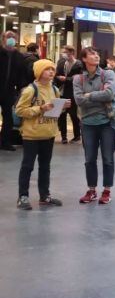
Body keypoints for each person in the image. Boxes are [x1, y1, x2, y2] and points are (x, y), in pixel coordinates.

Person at [15, 59, 69, 209]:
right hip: (31, 135)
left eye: (52, 69)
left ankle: (44, 196)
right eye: (47, 69)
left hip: (49, 134)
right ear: (39, 72)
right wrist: (40, 108)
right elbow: (20, 110)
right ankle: (23, 196)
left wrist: (62, 107)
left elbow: (54, 112)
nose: (51, 72)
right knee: (27, 166)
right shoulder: (30, 90)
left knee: (45, 166)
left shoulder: (55, 90)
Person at [74, 47, 115, 205]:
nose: (96, 56)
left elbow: (109, 94)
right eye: (92, 54)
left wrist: (89, 96)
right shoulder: (78, 79)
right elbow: (78, 100)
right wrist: (97, 98)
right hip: (87, 123)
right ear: (84, 59)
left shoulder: (108, 74)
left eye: (98, 54)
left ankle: (106, 191)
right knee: (89, 159)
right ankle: (91, 190)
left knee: (108, 158)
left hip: (107, 122)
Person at [0, 31, 27, 150]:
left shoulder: (19, 56)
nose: (11, 39)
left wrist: (22, 88)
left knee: (8, 118)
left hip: (9, 91)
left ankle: (4, 142)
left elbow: (22, 74)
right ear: (3, 39)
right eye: (8, 37)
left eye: (13, 37)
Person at [54, 45, 81, 144]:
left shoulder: (79, 64)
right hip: (61, 91)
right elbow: (56, 74)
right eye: (63, 52)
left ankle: (77, 135)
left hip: (73, 92)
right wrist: (58, 78)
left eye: (66, 52)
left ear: (72, 53)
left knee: (73, 114)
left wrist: (67, 79)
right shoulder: (61, 62)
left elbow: (80, 78)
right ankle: (64, 136)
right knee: (62, 114)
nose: (64, 54)